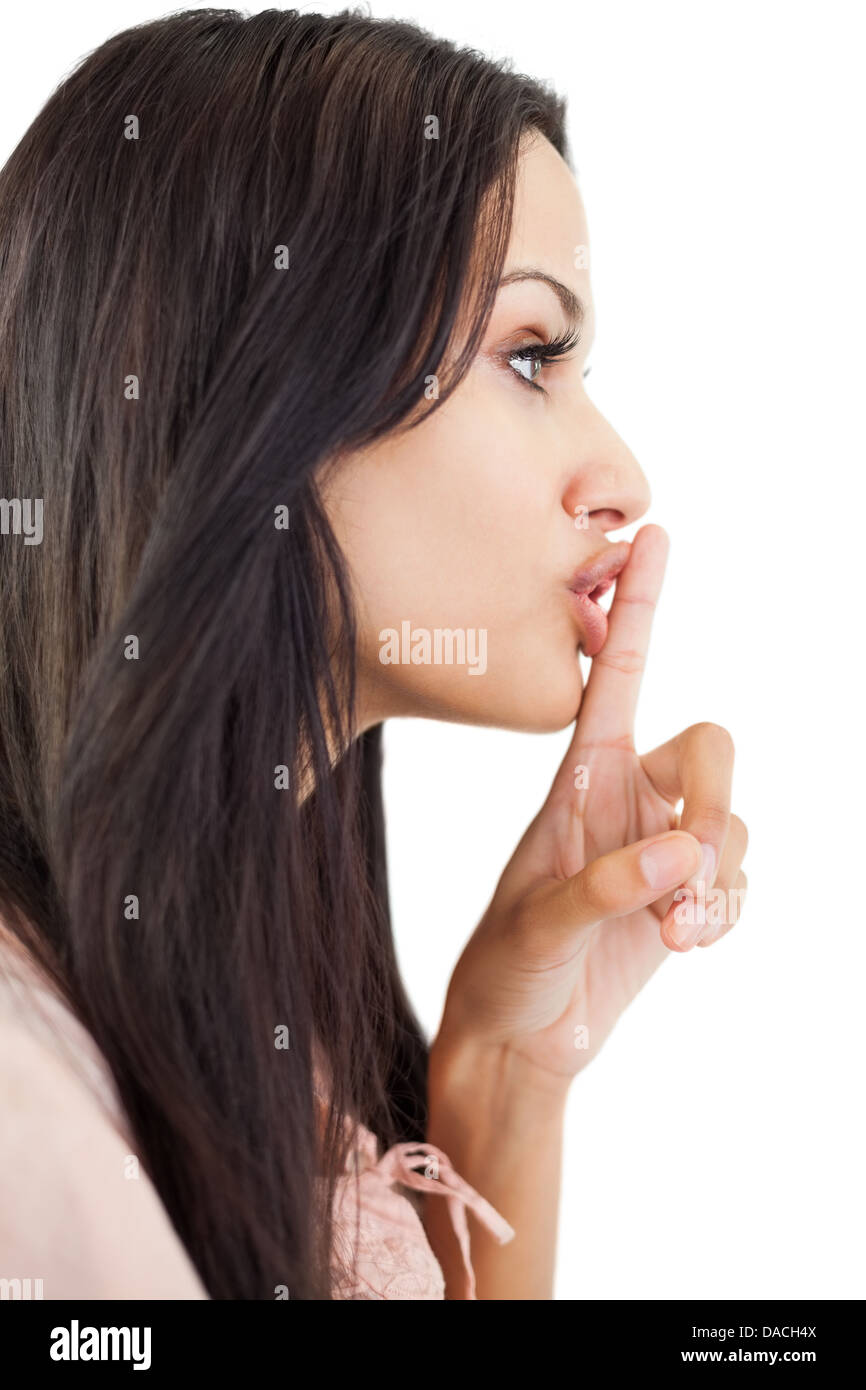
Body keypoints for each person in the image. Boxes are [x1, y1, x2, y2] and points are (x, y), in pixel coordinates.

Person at [0, 8, 747, 1300]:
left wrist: (508, 1078)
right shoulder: (25, 1106)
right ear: (257, 380)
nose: (619, 473)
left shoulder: (254, 1051)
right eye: (528, 354)